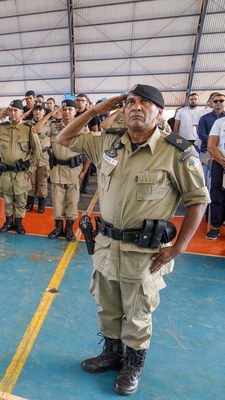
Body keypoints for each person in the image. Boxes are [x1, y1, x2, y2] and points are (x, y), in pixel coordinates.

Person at [57, 84, 209, 396]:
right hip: (107, 244)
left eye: (145, 103)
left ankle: (133, 364)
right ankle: (113, 354)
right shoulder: (109, 143)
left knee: (138, 312)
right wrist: (98, 110)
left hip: (145, 252)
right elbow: (64, 138)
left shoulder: (177, 151)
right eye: (130, 102)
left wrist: (179, 247)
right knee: (108, 306)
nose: (136, 107)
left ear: (159, 112)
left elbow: (198, 200)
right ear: (122, 110)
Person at [0, 99, 41, 234]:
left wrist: (31, 169)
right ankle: (8, 222)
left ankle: (19, 223)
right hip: (6, 172)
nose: (13, 113)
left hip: (21, 172)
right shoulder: (2, 127)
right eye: (11, 110)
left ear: (21, 113)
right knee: (7, 200)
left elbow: (37, 152)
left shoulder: (28, 129)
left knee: (21, 200)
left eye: (16, 111)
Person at [35, 100, 88, 241]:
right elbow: (37, 129)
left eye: (70, 109)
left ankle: (69, 229)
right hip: (57, 169)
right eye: (64, 109)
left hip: (74, 170)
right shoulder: (54, 127)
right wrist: (50, 114)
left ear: (76, 111)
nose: (67, 112)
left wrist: (84, 172)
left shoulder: (82, 128)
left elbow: (89, 152)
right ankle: (58, 228)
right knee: (57, 201)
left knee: (72, 201)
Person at [25, 104, 51, 213]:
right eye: (36, 110)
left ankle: (41, 204)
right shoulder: (27, 124)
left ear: (44, 112)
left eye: (40, 110)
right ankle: (29, 203)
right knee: (30, 181)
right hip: (31, 156)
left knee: (42, 181)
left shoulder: (49, 125)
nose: (38, 112)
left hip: (43, 157)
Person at [206, 106, 225, 239]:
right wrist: (223, 162)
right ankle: (216, 226)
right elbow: (211, 146)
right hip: (220, 164)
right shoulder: (220, 123)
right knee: (217, 195)